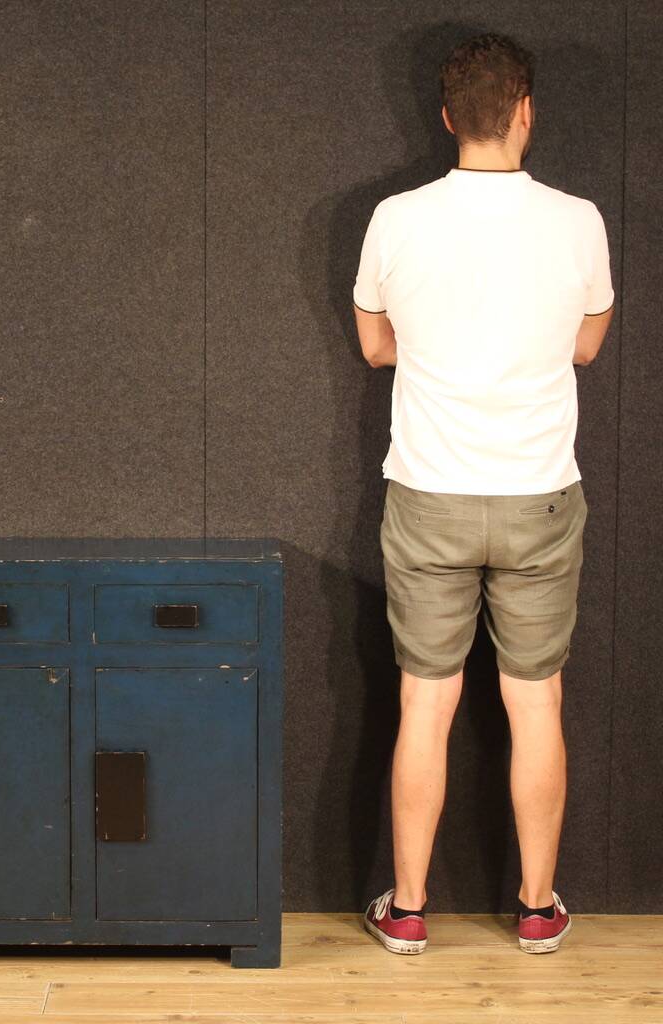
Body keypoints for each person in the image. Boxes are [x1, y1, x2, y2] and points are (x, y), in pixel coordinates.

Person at [352, 32, 614, 956]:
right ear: (526, 111)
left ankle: (408, 909)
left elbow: (375, 346)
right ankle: (538, 909)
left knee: (424, 704)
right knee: (535, 702)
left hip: (430, 493)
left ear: (447, 117)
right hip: (540, 495)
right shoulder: (579, 221)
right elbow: (587, 346)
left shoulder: (395, 219)